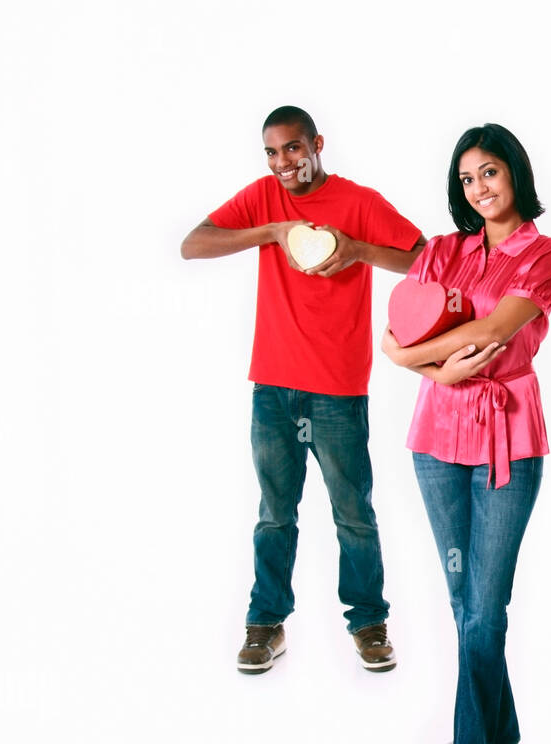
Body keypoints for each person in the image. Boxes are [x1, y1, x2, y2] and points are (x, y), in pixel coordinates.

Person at [180, 105, 424, 674]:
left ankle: (368, 623)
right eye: (271, 152)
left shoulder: (358, 201)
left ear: (317, 143)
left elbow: (422, 258)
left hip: (337, 388)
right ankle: (265, 624)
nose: (283, 163)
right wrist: (273, 231)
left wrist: (360, 250)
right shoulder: (266, 198)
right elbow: (193, 244)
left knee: (352, 513)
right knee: (274, 513)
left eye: (292, 148)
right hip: (272, 386)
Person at [381, 124, 551, 744]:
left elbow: (496, 330)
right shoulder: (440, 251)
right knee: (464, 597)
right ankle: (493, 724)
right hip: (435, 442)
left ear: (514, 173)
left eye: (489, 172)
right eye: (467, 179)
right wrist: (415, 361)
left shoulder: (547, 254)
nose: (480, 188)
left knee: (486, 603)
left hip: (508, 442)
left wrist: (416, 359)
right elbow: (398, 332)